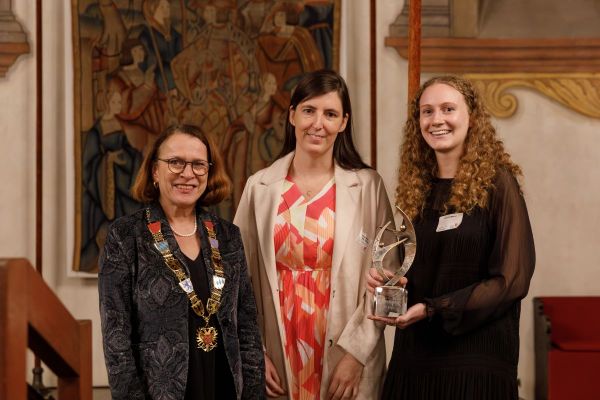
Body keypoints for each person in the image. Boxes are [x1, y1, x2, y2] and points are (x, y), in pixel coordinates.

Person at [368, 76, 535, 400]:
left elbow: (513, 279)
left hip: (476, 362)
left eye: (448, 109)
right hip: (414, 360)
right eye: (426, 111)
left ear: (471, 116)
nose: (436, 120)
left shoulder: (498, 185)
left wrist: (434, 310)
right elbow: (412, 273)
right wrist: (387, 280)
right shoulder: (416, 191)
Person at [234, 70, 395, 399]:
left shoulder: (368, 187)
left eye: (330, 114)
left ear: (344, 122)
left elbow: (388, 280)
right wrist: (254, 352)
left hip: (345, 357)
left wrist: (356, 354)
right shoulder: (259, 188)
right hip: (278, 353)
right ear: (292, 115)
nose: (318, 123)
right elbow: (237, 280)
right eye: (309, 110)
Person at [99, 124, 265, 399]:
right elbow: (117, 340)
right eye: (175, 162)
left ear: (208, 172)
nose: (187, 174)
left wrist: (254, 394)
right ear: (154, 170)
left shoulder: (228, 236)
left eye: (198, 164)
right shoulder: (126, 236)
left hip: (224, 386)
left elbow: (247, 327)